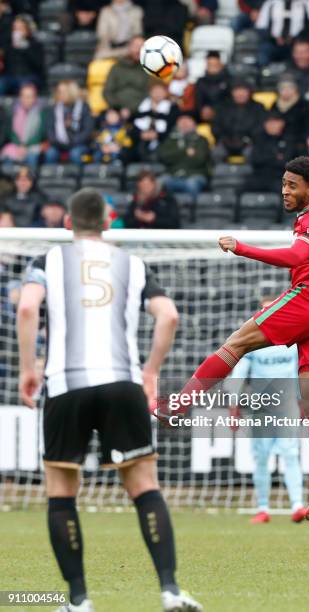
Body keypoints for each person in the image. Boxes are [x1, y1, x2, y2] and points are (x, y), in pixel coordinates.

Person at [17, 187, 201, 612]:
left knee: (62, 492)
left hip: (66, 384)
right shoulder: (132, 263)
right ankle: (170, 591)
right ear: (108, 221)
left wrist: (29, 368)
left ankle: (79, 600)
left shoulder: (47, 260)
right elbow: (169, 315)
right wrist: (151, 371)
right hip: (123, 382)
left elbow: (27, 309)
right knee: (143, 486)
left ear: (68, 223)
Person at [160, 156, 309, 521]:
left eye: (292, 185)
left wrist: (241, 247)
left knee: (236, 343)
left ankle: (181, 403)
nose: (285, 190)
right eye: (283, 183)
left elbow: (297, 255)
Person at [226, 317, 306, 524]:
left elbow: (301, 371)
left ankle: (297, 505)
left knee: (290, 453)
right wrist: (233, 404)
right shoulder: (253, 343)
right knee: (261, 457)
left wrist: (304, 400)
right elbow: (240, 372)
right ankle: (263, 508)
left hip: (287, 406)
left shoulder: (293, 342)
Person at [159, 114, 211, 202]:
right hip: (173, 175)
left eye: (187, 121)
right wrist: (184, 152)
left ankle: (192, 212)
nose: (184, 124)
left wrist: (176, 156)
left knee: (192, 184)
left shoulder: (201, 140)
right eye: (182, 121)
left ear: (194, 124)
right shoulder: (170, 140)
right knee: (159, 182)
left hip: (194, 175)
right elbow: (164, 157)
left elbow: (199, 160)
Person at [212, 81, 265, 161]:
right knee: (216, 153)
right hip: (226, 142)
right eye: (237, 91)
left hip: (249, 142)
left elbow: (261, 127)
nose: (240, 94)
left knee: (252, 153)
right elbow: (215, 127)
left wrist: (248, 139)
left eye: (243, 91)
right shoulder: (223, 107)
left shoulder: (258, 107)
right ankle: (220, 173)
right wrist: (224, 139)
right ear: (232, 93)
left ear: (249, 92)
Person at [44, 80, 94, 165]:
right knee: (50, 154)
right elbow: (49, 131)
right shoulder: (54, 109)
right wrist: (60, 143)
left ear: (72, 92)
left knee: (75, 154)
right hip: (59, 145)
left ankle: (78, 177)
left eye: (64, 92)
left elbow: (87, 131)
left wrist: (73, 142)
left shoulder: (84, 108)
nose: (61, 95)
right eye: (59, 92)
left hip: (79, 144)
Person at [244, 111, 295, 194]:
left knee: (286, 191)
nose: (271, 125)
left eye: (274, 122)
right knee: (240, 190)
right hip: (259, 176)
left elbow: (286, 163)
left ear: (282, 123)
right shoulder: (259, 138)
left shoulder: (288, 139)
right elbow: (255, 160)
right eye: (269, 122)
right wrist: (275, 157)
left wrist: (266, 158)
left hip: (279, 177)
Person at [255, 0, 309, 65]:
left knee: (302, 51)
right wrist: (273, 38)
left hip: (297, 43)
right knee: (264, 52)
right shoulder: (270, 3)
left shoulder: (306, 3)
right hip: (273, 42)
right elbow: (261, 26)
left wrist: (297, 39)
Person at [1, 83, 46, 169]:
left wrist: (26, 145)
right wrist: (20, 145)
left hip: (33, 145)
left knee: (32, 157)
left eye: (29, 97)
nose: (26, 99)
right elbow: (11, 133)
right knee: (7, 156)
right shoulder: (13, 112)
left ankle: (31, 181)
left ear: (35, 98)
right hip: (16, 145)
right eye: (23, 96)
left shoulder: (41, 113)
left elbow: (41, 134)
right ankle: (8, 181)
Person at [103, 36, 149, 117]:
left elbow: (149, 93)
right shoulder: (117, 67)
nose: (139, 50)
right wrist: (119, 108)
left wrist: (132, 109)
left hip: (141, 111)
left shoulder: (148, 68)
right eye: (136, 46)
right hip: (117, 110)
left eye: (142, 47)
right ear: (129, 47)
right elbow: (108, 92)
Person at [0, 14, 45, 95]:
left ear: (27, 30)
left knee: (24, 86)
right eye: (15, 28)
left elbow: (39, 64)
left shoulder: (35, 44)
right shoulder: (8, 44)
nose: (17, 31)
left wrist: (25, 48)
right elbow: (5, 64)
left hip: (29, 76)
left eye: (20, 28)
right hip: (10, 76)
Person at [194, 51, 229, 124]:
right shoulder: (200, 82)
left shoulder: (229, 80)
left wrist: (214, 110)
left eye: (215, 65)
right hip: (204, 118)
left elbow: (230, 101)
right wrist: (203, 110)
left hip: (225, 118)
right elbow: (198, 101)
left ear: (221, 64)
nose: (212, 67)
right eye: (210, 64)